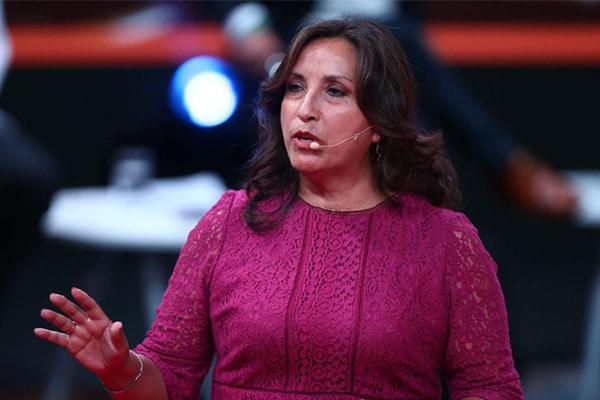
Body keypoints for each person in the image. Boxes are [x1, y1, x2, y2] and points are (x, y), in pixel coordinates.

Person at [35, 18, 524, 399]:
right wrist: (121, 369)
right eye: (295, 87)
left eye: (334, 91)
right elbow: (170, 375)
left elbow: (490, 388)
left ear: (380, 122)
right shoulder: (228, 222)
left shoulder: (445, 241)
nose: (305, 109)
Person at [218, 0, 578, 220]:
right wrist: (249, 25)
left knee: (415, 91)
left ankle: (488, 170)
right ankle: (505, 163)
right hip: (299, 26)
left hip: (390, 33)